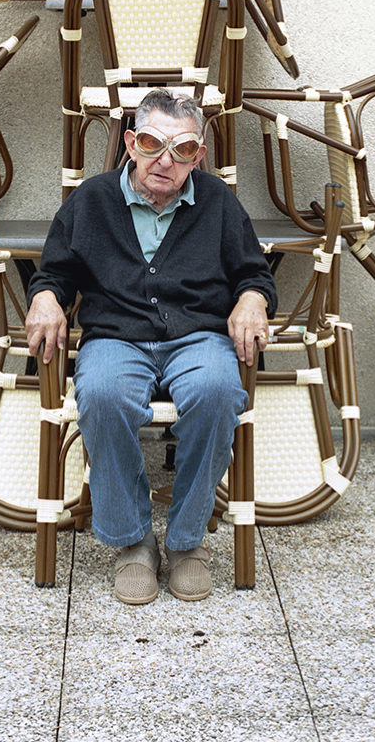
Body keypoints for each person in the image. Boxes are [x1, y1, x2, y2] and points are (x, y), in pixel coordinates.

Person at [25, 88, 277, 604]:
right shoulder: (92, 200)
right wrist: (45, 298)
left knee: (217, 392)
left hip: (198, 335)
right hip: (116, 336)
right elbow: (54, 273)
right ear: (130, 144)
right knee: (103, 395)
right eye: (151, 143)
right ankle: (134, 541)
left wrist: (253, 300)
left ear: (198, 156)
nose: (164, 160)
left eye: (181, 149)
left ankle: (185, 542)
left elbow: (254, 273)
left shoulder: (217, 202)